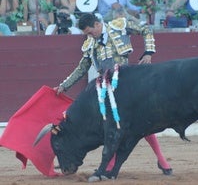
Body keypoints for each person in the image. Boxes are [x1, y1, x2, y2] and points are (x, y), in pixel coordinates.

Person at [53, 13, 173, 175]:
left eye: (90, 32)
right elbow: (82, 68)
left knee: (140, 123)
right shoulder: (90, 43)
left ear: (97, 24)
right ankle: (112, 165)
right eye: (86, 34)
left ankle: (161, 160)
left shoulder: (118, 26)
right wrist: (64, 86)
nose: (89, 36)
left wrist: (148, 53)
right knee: (116, 125)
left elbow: (146, 29)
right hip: (107, 88)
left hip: (127, 84)